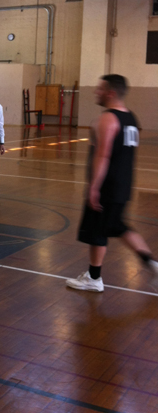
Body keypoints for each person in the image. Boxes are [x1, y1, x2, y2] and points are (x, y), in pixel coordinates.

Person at [66, 74, 158, 292]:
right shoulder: (132, 118)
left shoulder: (107, 119)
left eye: (100, 89)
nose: (96, 92)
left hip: (107, 186)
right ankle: (151, 264)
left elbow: (103, 156)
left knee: (98, 231)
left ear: (111, 93)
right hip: (123, 185)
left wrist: (94, 187)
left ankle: (94, 279)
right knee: (117, 227)